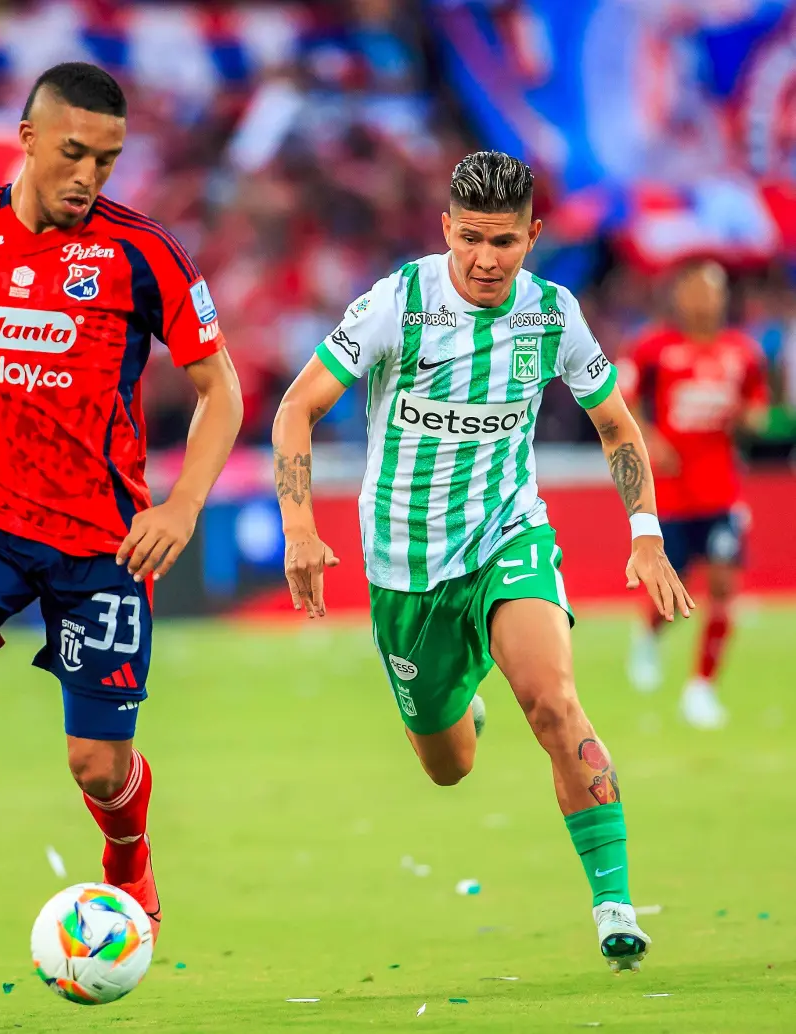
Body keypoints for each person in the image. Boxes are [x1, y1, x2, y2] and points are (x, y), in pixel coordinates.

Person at [0, 62, 243, 973]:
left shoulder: (142, 254)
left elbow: (218, 388)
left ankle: (127, 858)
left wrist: (182, 504)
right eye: (73, 154)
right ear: (26, 140)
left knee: (98, 769)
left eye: (107, 160)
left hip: (99, 541)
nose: (89, 178)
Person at [272, 151, 693, 972]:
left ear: (532, 236)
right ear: (446, 231)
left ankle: (614, 905)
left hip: (510, 534)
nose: (485, 259)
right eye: (470, 239)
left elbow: (616, 425)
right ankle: (462, 697)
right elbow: (297, 409)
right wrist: (298, 529)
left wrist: (646, 530)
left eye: (504, 241)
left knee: (554, 702)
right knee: (447, 764)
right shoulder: (398, 303)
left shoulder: (553, 315)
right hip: (405, 567)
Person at [618, 261, 768, 728]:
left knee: (724, 588)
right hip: (669, 496)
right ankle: (648, 635)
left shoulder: (741, 352)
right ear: (681, 297)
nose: (707, 301)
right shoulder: (653, 349)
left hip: (721, 492)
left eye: (715, 292)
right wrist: (652, 439)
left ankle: (700, 689)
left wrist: (751, 420)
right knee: (671, 591)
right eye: (699, 291)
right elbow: (621, 403)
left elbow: (758, 406)